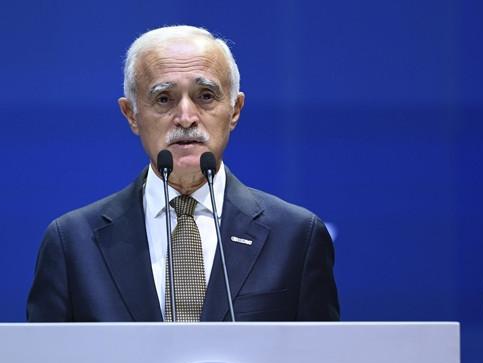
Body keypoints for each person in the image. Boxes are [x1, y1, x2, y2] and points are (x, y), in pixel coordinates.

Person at [27, 25, 339, 322]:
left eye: (206, 96)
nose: (186, 118)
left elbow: (321, 356)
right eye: (164, 99)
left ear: (235, 110)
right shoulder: (73, 243)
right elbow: (45, 358)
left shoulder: (296, 237)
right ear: (131, 114)